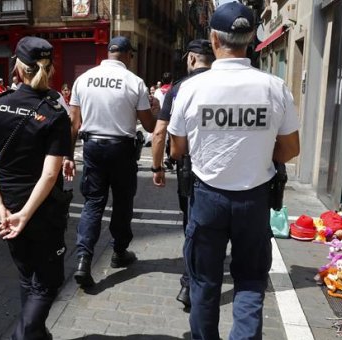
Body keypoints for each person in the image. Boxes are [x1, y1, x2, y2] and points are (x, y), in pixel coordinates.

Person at [167, 3, 300, 339]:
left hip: (207, 198)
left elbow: (176, 149)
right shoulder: (274, 86)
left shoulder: (190, 88)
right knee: (251, 280)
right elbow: (291, 149)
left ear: (213, 39)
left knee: (204, 283)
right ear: (253, 38)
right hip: (254, 199)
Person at [0, 36, 71, 340]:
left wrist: (0, 206)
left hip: (10, 205)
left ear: (18, 67)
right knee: (47, 282)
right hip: (42, 210)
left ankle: (36, 335)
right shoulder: (55, 112)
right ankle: (24, 336)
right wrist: (27, 214)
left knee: (27, 277)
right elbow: (50, 173)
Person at [64, 36, 158, 287]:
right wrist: (156, 109)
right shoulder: (134, 82)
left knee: (93, 203)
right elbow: (149, 125)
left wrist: (67, 155)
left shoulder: (83, 79)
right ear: (127, 55)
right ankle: (119, 251)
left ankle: (84, 258)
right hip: (122, 149)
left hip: (92, 146)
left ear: (109, 53)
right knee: (123, 202)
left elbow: (74, 123)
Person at [151, 39, 215, 308]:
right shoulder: (225, 83)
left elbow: (159, 131)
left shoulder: (180, 88)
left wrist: (157, 167)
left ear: (190, 59)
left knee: (192, 224)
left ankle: (189, 283)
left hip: (189, 166)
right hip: (227, 169)